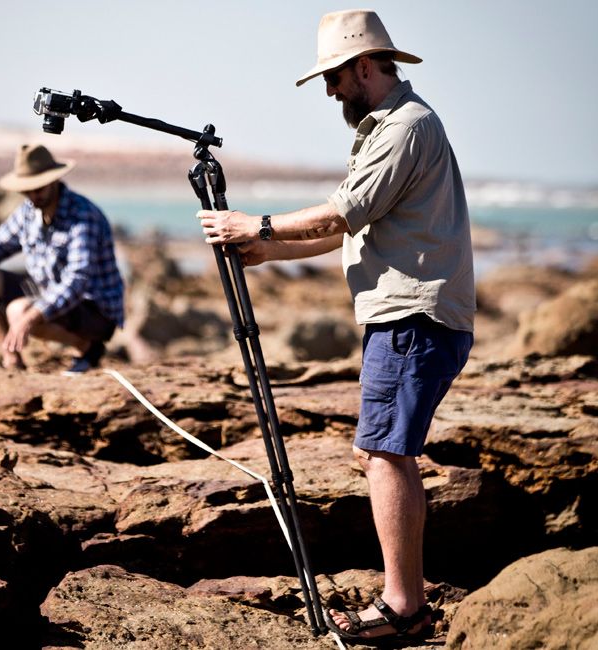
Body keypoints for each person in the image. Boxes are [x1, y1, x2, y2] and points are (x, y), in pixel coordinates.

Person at [198, 9, 475, 645]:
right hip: (410, 317)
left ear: (364, 66)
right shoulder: (390, 127)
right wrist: (272, 251)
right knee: (380, 451)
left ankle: (404, 607)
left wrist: (257, 225)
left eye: (332, 77)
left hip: (411, 316)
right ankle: (406, 600)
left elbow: (345, 210)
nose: (328, 91)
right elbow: (351, 227)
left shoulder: (406, 127)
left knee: (385, 454)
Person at [0, 144, 124, 374]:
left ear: (53, 181)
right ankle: (10, 357)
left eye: (38, 188)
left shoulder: (83, 216)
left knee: (18, 312)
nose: (33, 195)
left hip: (94, 310)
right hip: (47, 291)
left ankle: (88, 347)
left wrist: (32, 316)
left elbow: (77, 281)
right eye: (27, 190)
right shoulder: (29, 212)